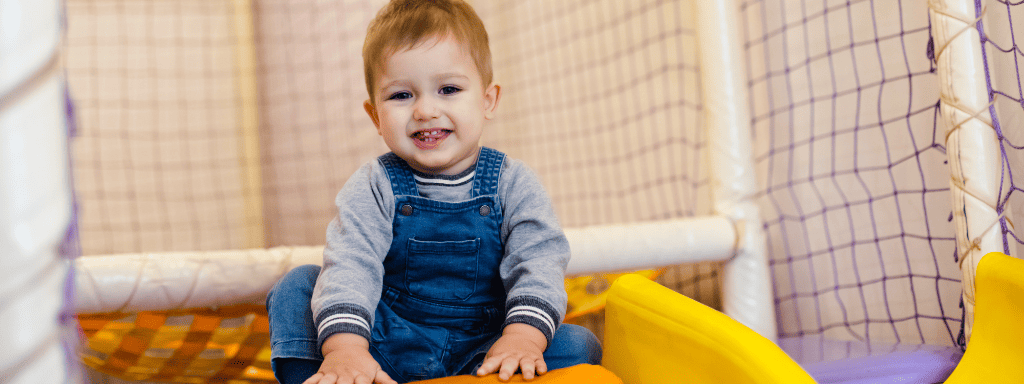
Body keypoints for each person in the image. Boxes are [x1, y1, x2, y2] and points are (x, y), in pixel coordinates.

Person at [265, 1, 602, 383]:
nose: (425, 110)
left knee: (578, 344)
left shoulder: (514, 184)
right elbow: (352, 264)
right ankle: (336, 376)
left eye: (448, 89)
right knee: (297, 287)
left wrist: (521, 337)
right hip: (385, 347)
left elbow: (539, 261)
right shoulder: (373, 185)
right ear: (375, 115)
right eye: (401, 96)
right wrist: (345, 349)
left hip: (483, 350)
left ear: (487, 100)